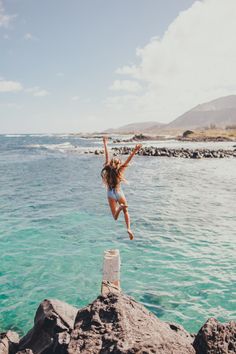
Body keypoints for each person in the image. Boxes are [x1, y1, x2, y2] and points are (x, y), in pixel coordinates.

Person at [101, 136, 142, 240]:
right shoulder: (120, 171)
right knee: (126, 211)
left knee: (115, 216)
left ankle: (119, 208)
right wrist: (135, 150)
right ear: (118, 165)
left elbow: (106, 155)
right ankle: (128, 228)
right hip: (119, 192)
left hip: (110, 193)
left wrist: (105, 143)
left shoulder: (107, 170)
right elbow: (128, 161)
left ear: (110, 164)